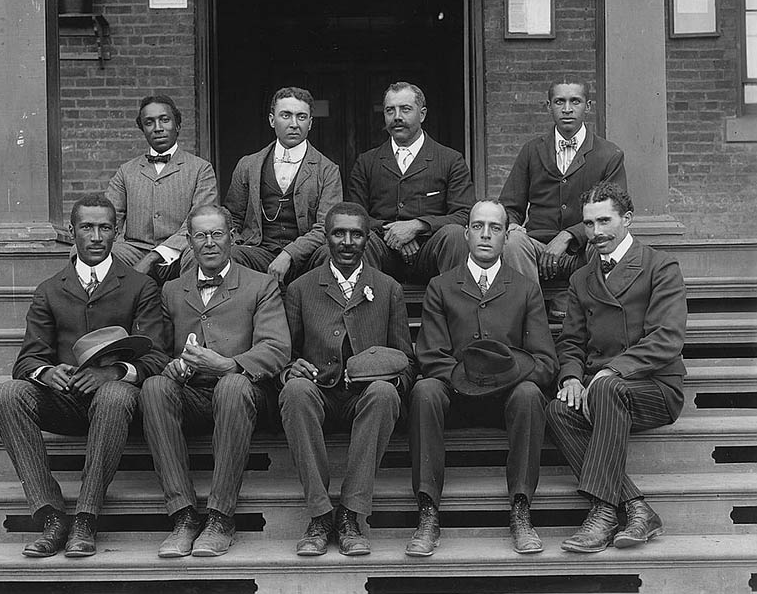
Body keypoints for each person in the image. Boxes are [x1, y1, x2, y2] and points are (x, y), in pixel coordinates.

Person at [0, 193, 168, 558]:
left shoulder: (140, 286)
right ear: (72, 231)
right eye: (87, 227)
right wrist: (46, 372)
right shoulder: (51, 289)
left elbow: (159, 356)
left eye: (105, 227)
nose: (96, 236)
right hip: (66, 400)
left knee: (116, 395)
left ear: (117, 232)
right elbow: (27, 360)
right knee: (7, 394)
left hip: (117, 407)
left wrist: (115, 373)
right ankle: (52, 516)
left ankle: (86, 518)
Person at [406, 199, 557, 557]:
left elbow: (545, 361)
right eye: (478, 227)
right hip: (454, 398)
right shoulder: (441, 286)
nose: (485, 235)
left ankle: (521, 509)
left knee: (531, 393)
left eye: (495, 228)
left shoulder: (524, 288)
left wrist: (501, 376)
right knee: (425, 390)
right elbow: (430, 356)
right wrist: (468, 378)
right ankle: (428, 512)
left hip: (507, 401)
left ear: (507, 236)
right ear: (466, 234)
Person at [139, 204, 290, 558]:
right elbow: (156, 350)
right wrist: (172, 367)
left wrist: (229, 364)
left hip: (244, 393)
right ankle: (184, 516)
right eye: (201, 236)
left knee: (233, 386)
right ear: (188, 242)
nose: (210, 243)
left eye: (217, 234)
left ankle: (221, 517)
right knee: (154, 387)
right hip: (191, 394)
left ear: (232, 238)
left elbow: (277, 347)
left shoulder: (260, 285)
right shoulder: (172, 290)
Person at [546, 182, 687, 553]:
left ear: (627, 219)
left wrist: (612, 370)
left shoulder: (660, 265)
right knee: (559, 408)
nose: (596, 233)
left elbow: (667, 337)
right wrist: (573, 377)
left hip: (654, 388)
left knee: (607, 386)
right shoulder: (581, 278)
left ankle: (603, 514)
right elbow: (572, 341)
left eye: (605, 221)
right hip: (604, 389)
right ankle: (636, 508)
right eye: (589, 225)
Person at [279, 201, 416, 556]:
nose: (347, 242)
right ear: (326, 238)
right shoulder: (301, 288)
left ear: (367, 239)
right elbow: (284, 354)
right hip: (319, 391)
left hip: (364, 395)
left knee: (386, 393)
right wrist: (289, 369)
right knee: (294, 390)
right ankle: (321, 515)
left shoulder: (387, 288)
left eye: (356, 234)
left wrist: (389, 377)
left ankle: (350, 515)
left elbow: (409, 363)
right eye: (339, 233)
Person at [498, 79, 626, 318]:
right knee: (512, 241)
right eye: (559, 101)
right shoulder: (532, 150)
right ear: (549, 106)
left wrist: (569, 235)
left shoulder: (609, 154)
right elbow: (510, 205)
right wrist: (513, 224)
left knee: (608, 238)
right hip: (535, 250)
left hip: (583, 251)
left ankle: (575, 299)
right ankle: (530, 313)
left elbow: (614, 210)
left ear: (588, 106)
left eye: (575, 101)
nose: (567, 108)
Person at [343, 81, 474, 283]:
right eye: (390, 110)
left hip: (430, 251)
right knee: (360, 239)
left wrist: (417, 226)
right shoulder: (367, 162)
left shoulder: (450, 160)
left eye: (405, 109)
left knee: (456, 235)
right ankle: (366, 310)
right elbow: (355, 215)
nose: (397, 117)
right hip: (382, 251)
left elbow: (465, 215)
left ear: (422, 114)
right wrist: (393, 232)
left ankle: (455, 307)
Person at [223, 86, 342, 284]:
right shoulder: (248, 165)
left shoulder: (327, 170)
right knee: (231, 256)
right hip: (259, 252)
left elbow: (326, 226)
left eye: (301, 117)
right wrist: (238, 242)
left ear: (310, 123)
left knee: (330, 255)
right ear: (272, 120)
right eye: (286, 115)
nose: (294, 124)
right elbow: (232, 217)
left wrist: (289, 254)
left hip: (307, 258)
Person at [105, 94, 219, 282]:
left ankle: (192, 309)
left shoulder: (201, 169)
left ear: (178, 125)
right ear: (143, 129)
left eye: (164, 120)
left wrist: (155, 255)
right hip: (135, 250)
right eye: (149, 122)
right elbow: (109, 217)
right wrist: (115, 242)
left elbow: (199, 221)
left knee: (199, 256)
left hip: (181, 251)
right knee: (87, 252)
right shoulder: (126, 171)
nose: (158, 128)